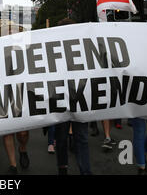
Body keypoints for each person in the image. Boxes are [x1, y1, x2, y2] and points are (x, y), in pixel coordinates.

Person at [53, 18, 92, 175]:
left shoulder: (82, 49)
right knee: (61, 138)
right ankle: (63, 167)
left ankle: (86, 171)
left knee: (81, 137)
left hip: (79, 99)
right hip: (61, 100)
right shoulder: (54, 51)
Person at [0, 23, 30, 175]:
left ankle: (22, 148)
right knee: (7, 130)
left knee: (22, 132)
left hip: (22, 92)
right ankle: (13, 164)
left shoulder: (26, 51)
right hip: (3, 92)